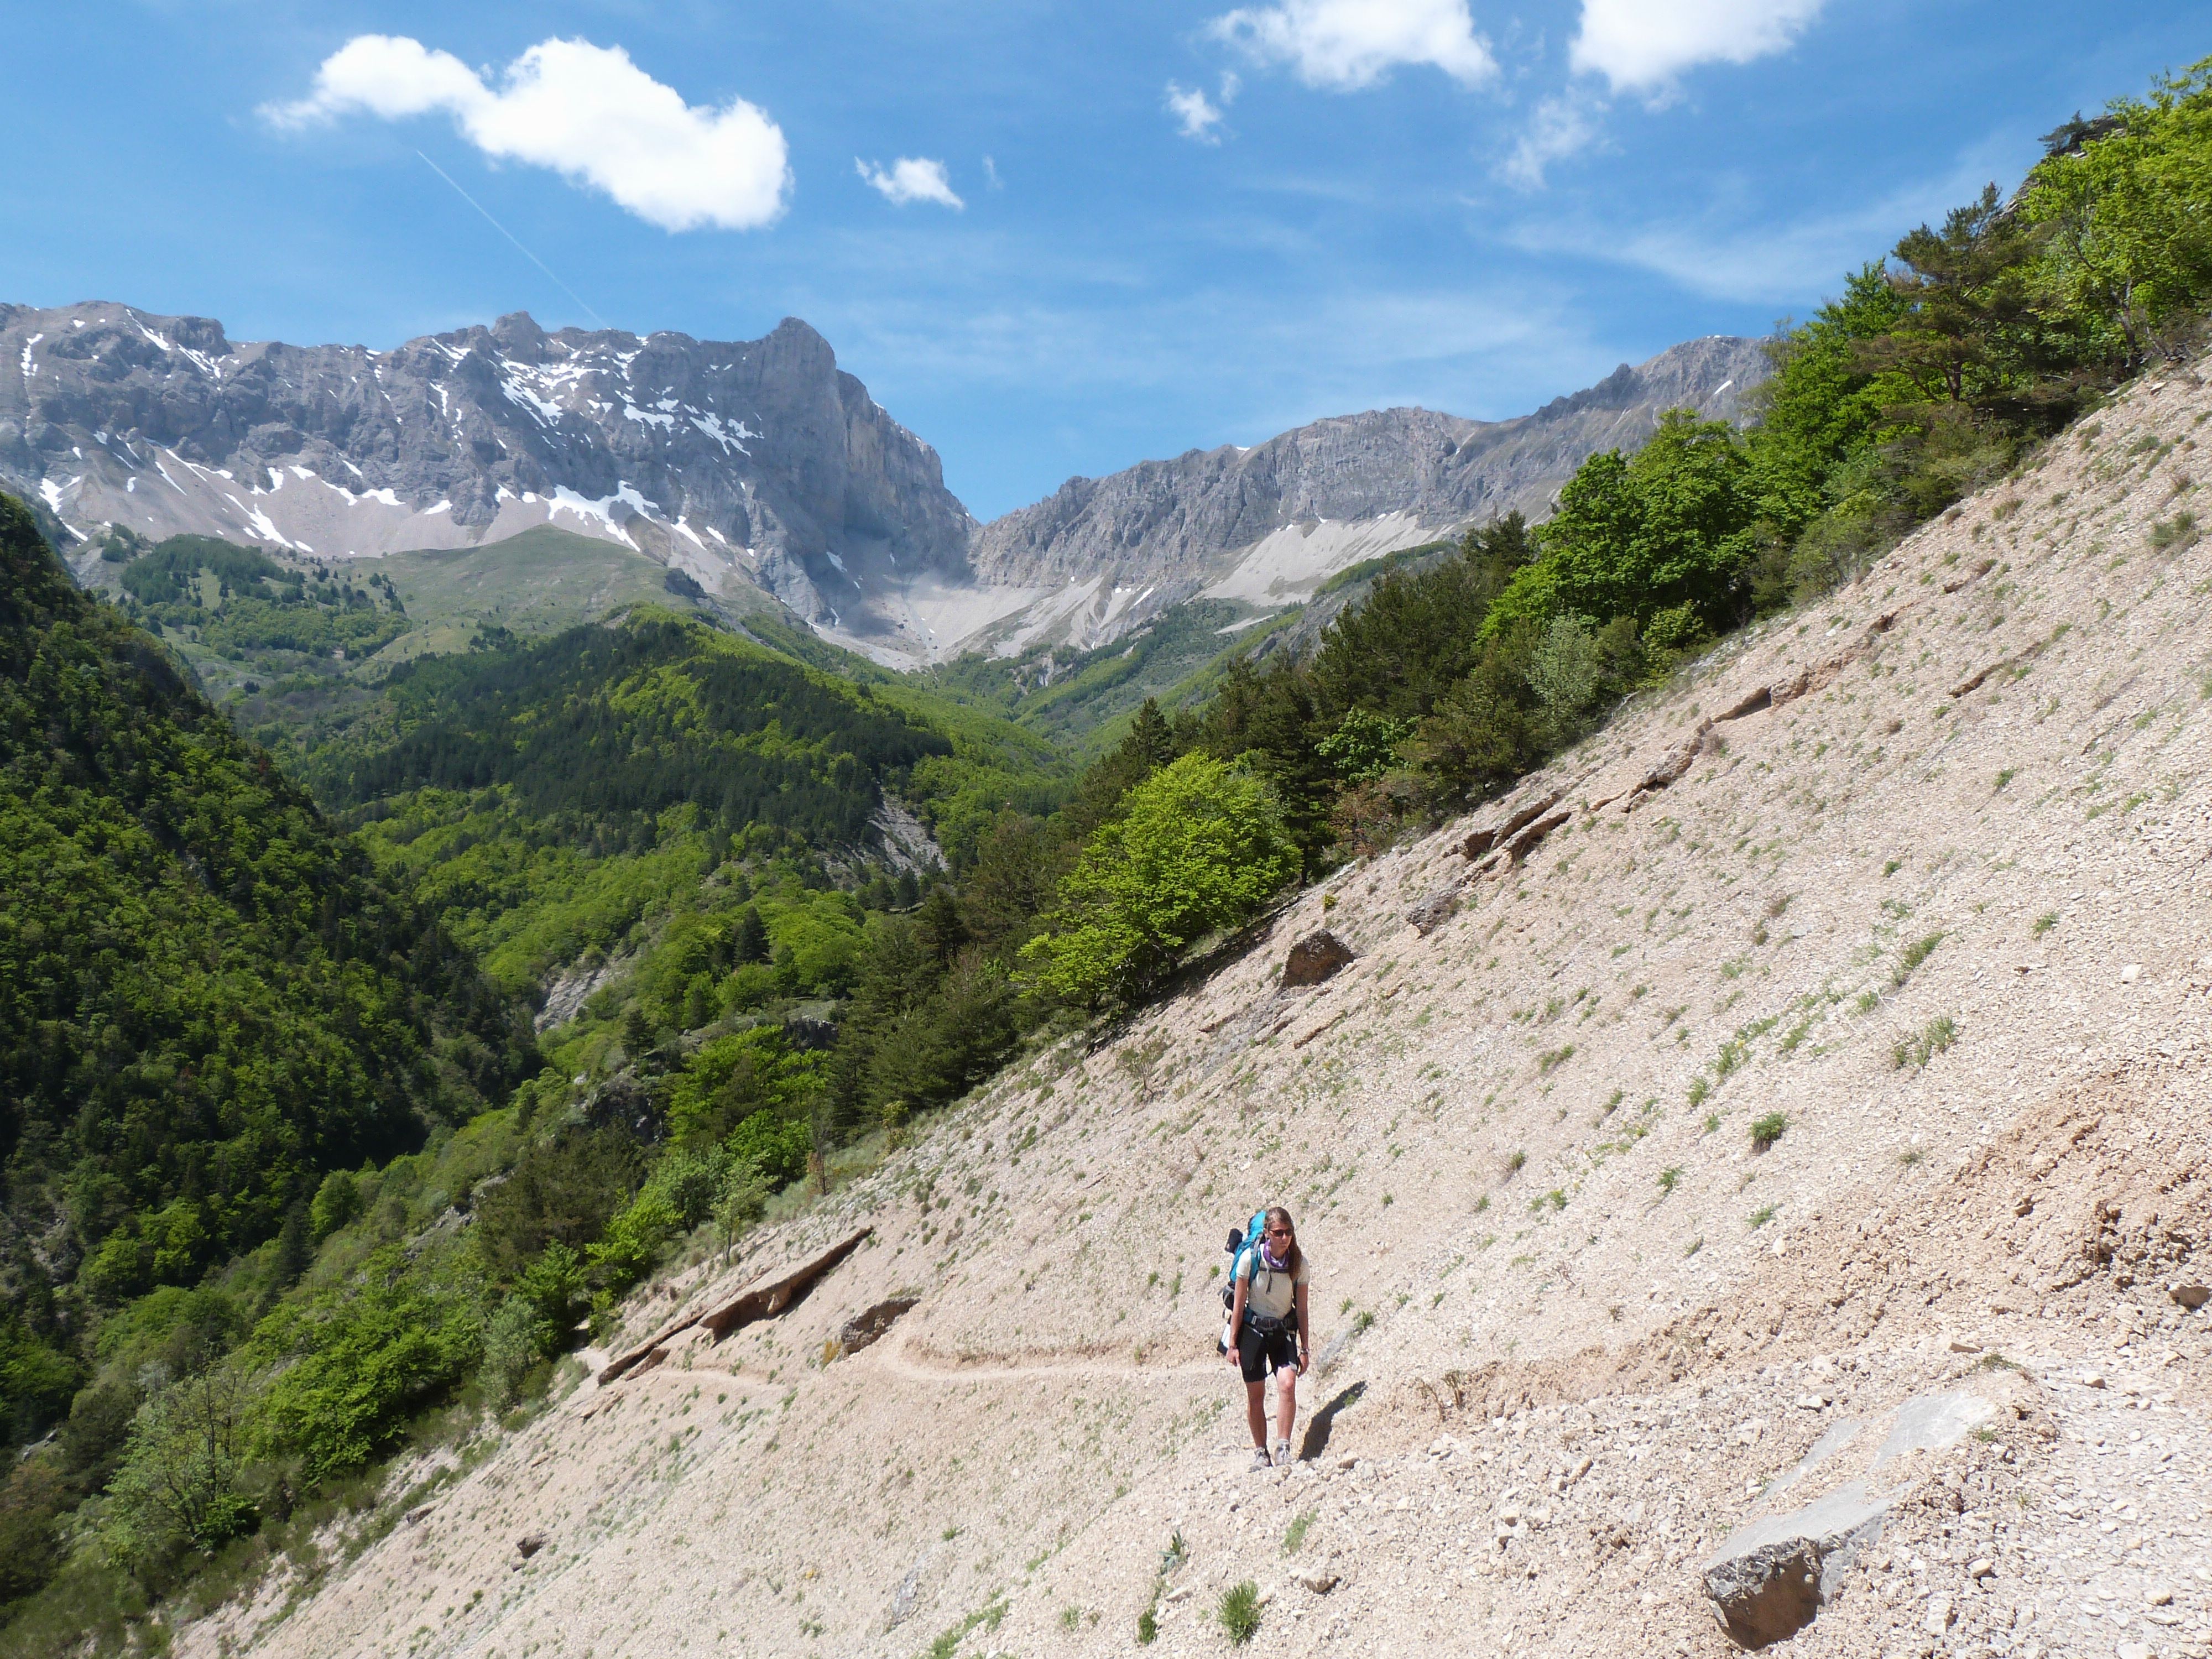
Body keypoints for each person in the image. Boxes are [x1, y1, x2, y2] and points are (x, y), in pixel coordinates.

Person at [1225, 1206, 1311, 1469]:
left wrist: (1305, 1348)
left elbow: (1303, 1309)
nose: (1285, 1238)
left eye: (1288, 1233)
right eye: (1278, 1233)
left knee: (1287, 1384)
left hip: (1283, 1332)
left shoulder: (1299, 1264)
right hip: (1252, 1332)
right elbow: (1238, 1307)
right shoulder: (1249, 1261)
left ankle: (1284, 1447)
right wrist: (1232, 1345)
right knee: (1256, 1395)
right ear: (1267, 1234)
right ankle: (1261, 1453)